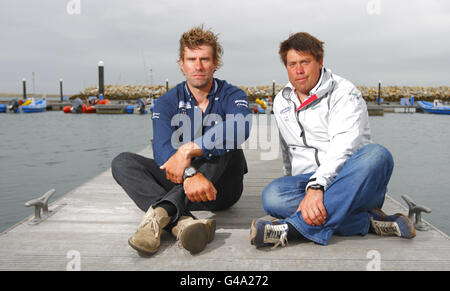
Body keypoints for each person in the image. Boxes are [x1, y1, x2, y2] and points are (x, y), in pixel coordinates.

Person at [250, 32, 415, 249]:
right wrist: (303, 188)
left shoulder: (344, 93)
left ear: (319, 62)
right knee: (273, 196)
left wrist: (317, 188)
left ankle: (293, 228)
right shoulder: (282, 101)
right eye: (291, 64)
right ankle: (365, 221)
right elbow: (287, 151)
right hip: (309, 182)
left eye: (304, 62)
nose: (298, 70)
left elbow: (343, 147)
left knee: (377, 155)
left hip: (351, 180)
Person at [112, 26, 251, 255]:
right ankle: (183, 222)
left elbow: (240, 127)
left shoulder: (232, 95)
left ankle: (161, 213)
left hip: (220, 190)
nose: (198, 66)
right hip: (182, 182)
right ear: (181, 64)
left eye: (205, 59)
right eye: (191, 59)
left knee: (228, 145)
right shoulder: (167, 101)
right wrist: (189, 174)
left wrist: (189, 150)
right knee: (122, 162)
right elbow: (162, 150)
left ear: (216, 63)